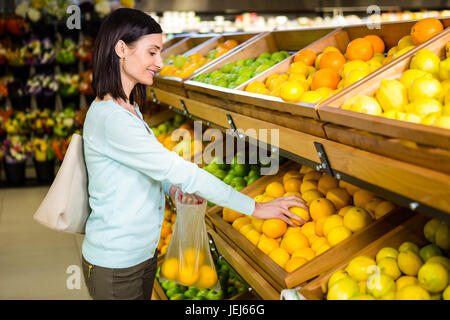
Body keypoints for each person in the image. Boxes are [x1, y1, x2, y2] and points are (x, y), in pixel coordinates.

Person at [81, 8, 308, 300]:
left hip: (138, 256)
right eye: (152, 52)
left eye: (160, 53)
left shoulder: (128, 108)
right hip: (116, 264)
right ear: (122, 49)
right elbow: (182, 170)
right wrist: (256, 207)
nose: (160, 63)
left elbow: (147, 169)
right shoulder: (112, 118)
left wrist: (172, 189)